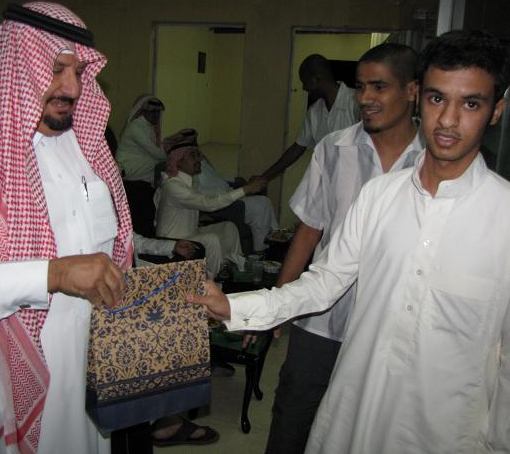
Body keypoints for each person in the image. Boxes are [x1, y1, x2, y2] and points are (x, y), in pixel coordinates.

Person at [190, 29, 510, 453]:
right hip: (356, 416)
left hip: (443, 433)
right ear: (420, 98)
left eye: (470, 104)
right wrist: (239, 307)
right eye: (437, 99)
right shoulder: (380, 197)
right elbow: (324, 281)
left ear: (496, 111)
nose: (448, 120)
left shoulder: (502, 218)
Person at [0, 2, 132, 453]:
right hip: (10, 374)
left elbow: (112, 247)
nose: (72, 87)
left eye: (79, 72)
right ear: (15, 67)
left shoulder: (88, 148)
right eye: (56, 70)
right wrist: (55, 273)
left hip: (94, 363)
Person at [263, 43, 423, 454]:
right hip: (323, 317)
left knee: (373, 426)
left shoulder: (433, 159)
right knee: (294, 413)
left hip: (392, 324)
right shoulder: (334, 149)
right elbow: (309, 230)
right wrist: (279, 303)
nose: (365, 97)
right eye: (361, 86)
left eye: (379, 87)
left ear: (412, 91)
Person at [155, 142, 266, 277]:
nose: (198, 159)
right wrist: (245, 189)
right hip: (173, 240)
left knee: (228, 228)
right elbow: (208, 203)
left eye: (198, 155)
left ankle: (235, 269)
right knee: (211, 239)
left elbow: (201, 202)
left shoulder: (191, 182)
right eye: (193, 156)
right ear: (179, 162)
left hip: (190, 233)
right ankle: (214, 280)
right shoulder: (173, 186)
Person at [260, 54, 360, 181]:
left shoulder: (357, 102)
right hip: (327, 182)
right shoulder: (314, 111)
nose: (304, 88)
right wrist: (264, 178)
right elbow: (297, 149)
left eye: (304, 82)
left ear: (316, 79)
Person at [196, 149, 279, 254]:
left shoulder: (200, 160)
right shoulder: (187, 172)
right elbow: (205, 199)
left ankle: (276, 238)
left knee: (265, 202)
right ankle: (260, 251)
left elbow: (216, 176)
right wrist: (245, 189)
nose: (198, 154)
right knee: (261, 204)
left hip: (231, 194)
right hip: (222, 203)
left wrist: (235, 181)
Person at [116, 94, 168, 185]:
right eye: (153, 111)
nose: (156, 115)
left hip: (139, 162)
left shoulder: (150, 126)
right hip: (126, 165)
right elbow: (157, 153)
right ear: (144, 112)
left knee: (162, 167)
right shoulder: (136, 127)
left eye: (158, 112)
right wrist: (172, 155)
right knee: (160, 165)